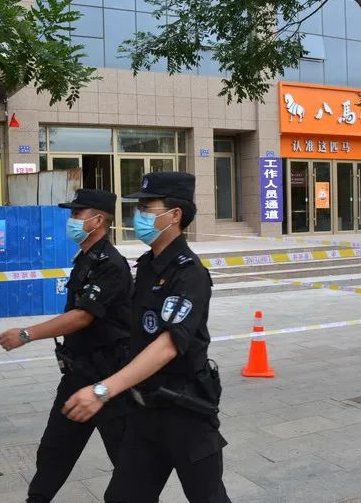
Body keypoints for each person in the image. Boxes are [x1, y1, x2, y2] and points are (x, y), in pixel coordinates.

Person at [62, 172, 230, 503]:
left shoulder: (189, 273)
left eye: (146, 207)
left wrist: (103, 389)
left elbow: (167, 345)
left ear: (174, 215)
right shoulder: (146, 267)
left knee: (208, 497)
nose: (138, 215)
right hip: (143, 413)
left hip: (185, 414)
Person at [0, 188, 132, 503]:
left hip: (109, 380)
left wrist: (26, 334)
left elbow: (83, 316)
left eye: (76, 214)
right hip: (77, 375)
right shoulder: (86, 259)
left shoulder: (111, 264)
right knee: (55, 450)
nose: (70, 220)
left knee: (128, 461)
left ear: (97, 221)